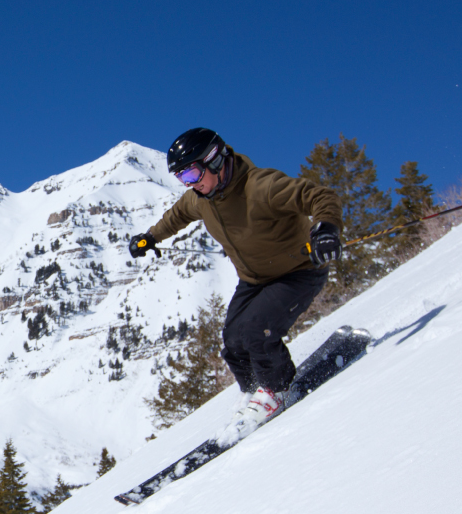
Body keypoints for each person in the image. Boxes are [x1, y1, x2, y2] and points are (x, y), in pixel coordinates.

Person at [129, 128, 343, 435]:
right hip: (255, 279)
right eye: (182, 179)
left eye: (191, 174)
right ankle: (254, 392)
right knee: (233, 342)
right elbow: (176, 215)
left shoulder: (261, 186)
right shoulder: (201, 197)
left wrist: (325, 228)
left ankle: (277, 391)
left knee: (258, 331)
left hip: (297, 271)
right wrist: (150, 237)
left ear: (213, 161)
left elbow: (319, 196)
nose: (190, 185)